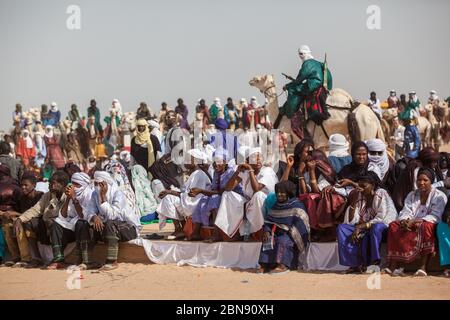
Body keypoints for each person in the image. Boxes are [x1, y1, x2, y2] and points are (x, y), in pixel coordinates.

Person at [386, 168, 447, 277]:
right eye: (419, 180)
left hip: (427, 223)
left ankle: (422, 267)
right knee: (394, 226)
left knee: (426, 226)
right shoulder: (412, 194)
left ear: (431, 181)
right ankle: (394, 265)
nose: (421, 183)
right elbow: (406, 210)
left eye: (425, 180)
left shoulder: (439, 196)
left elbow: (436, 216)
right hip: (411, 222)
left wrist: (416, 221)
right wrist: (405, 221)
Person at [337, 172, 397, 273]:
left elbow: (382, 217)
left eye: (363, 186)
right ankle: (353, 264)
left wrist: (362, 226)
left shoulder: (381, 193)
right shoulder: (360, 195)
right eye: (359, 186)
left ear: (372, 185)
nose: (361, 188)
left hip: (384, 226)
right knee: (342, 228)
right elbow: (352, 221)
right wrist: (354, 201)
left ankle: (375, 262)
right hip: (365, 227)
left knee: (376, 227)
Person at [215, 147, 278, 240]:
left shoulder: (267, 171)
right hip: (250, 203)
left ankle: (263, 231)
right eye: (254, 157)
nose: (258, 160)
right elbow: (228, 188)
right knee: (227, 195)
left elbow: (257, 189)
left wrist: (250, 170)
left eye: (260, 157)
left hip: (266, 205)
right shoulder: (245, 172)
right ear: (247, 161)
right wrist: (238, 171)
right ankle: (230, 232)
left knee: (258, 195)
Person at [83, 171, 141, 271]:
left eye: (100, 184)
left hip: (128, 228)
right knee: (84, 224)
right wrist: (94, 217)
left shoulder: (118, 194)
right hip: (109, 228)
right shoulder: (94, 194)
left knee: (110, 223)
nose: (97, 187)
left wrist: (103, 197)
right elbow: (89, 211)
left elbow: (113, 215)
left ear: (107, 184)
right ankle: (87, 261)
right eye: (95, 184)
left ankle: (112, 261)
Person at [14, 171, 71, 266]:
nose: (49, 186)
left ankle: (58, 258)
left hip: (64, 228)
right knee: (29, 222)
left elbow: (66, 216)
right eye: (49, 183)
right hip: (47, 227)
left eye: (52, 183)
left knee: (53, 224)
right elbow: (36, 209)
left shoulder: (69, 196)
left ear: (62, 185)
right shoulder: (47, 195)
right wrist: (20, 219)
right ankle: (36, 258)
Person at [156, 149, 211, 240]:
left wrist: (170, 192)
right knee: (169, 196)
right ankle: (181, 229)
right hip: (190, 203)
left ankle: (179, 229)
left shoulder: (198, 174)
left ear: (196, 161)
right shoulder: (195, 173)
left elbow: (191, 196)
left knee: (169, 198)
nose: (185, 161)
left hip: (195, 205)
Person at [258, 180, 310, 274]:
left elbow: (301, 224)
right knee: (267, 238)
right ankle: (265, 264)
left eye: (282, 192)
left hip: (291, 234)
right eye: (277, 192)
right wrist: (267, 230)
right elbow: (268, 221)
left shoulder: (297, 205)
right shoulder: (276, 206)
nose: (279, 195)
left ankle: (282, 265)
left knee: (282, 240)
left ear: (288, 193)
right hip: (276, 232)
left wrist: (288, 231)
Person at [189, 148, 241, 241]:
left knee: (215, 199)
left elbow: (222, 191)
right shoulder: (217, 172)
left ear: (225, 162)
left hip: (234, 198)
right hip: (223, 196)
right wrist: (201, 192)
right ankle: (196, 232)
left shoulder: (230, 173)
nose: (216, 164)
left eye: (219, 161)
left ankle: (216, 234)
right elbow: (214, 189)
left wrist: (201, 190)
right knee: (203, 199)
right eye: (215, 162)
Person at [47, 172, 96, 269]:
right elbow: (63, 216)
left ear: (83, 185)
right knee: (56, 224)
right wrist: (68, 199)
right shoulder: (71, 194)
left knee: (80, 223)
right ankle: (59, 260)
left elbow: (83, 215)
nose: (73, 186)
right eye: (72, 183)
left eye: (76, 184)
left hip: (87, 228)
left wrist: (74, 197)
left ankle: (85, 260)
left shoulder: (89, 195)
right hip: (73, 225)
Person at [277, 45, 332, 127]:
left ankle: (291, 112)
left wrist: (288, 86)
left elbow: (299, 79)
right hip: (321, 85)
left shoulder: (307, 64)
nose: (300, 56)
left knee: (293, 89)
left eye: (301, 54)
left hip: (312, 86)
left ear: (305, 53)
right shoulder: (318, 63)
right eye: (299, 54)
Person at [0, 165, 24, 266]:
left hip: (11, 216)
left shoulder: (14, 186)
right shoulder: (16, 185)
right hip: (13, 215)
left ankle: (15, 256)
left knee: (8, 227)